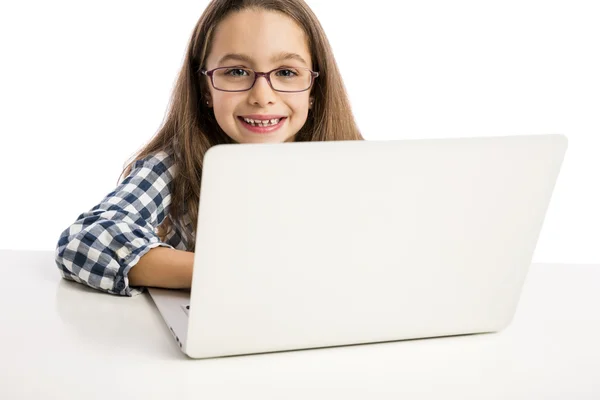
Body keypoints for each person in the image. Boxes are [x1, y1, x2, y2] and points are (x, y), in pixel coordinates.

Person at [55, 0, 363, 296]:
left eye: (286, 72)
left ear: (313, 88)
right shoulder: (175, 166)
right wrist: (233, 273)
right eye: (237, 71)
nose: (262, 96)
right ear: (205, 88)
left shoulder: (358, 166)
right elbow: (86, 239)